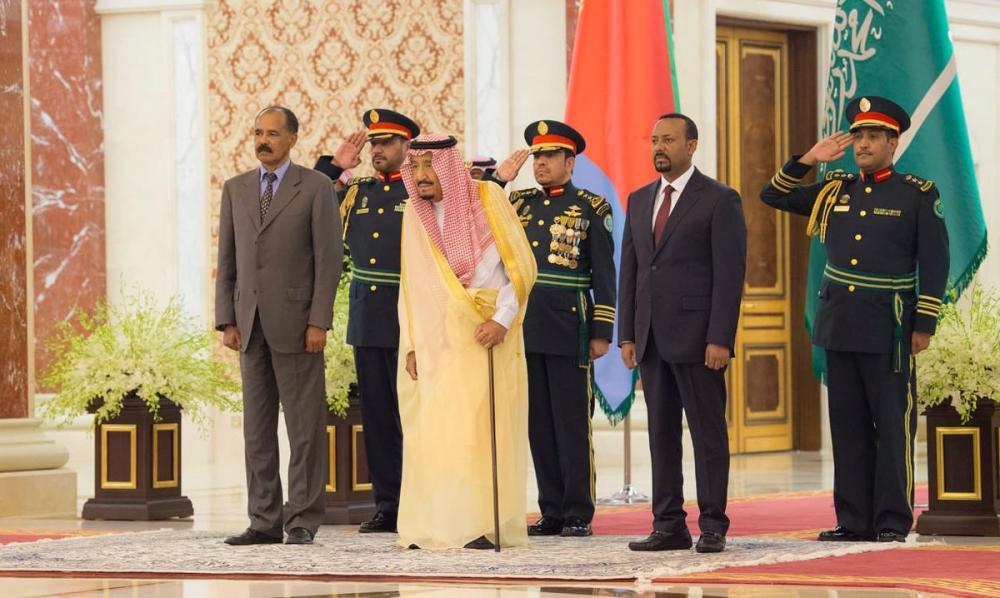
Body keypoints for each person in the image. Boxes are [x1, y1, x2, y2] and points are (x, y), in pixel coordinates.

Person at [760, 96, 949, 543]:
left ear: (892, 142)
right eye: (858, 136)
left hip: (890, 327)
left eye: (872, 137)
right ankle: (854, 519)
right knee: (847, 428)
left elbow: (935, 262)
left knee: (892, 426)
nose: (862, 144)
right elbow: (772, 194)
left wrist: (923, 324)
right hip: (840, 325)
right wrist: (808, 159)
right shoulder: (834, 189)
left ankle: (891, 520)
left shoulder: (917, 194)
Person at [395, 134, 537, 550]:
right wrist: (412, 343)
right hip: (438, 337)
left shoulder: (488, 197)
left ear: (448, 166)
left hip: (486, 333)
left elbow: (520, 267)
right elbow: (412, 283)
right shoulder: (414, 215)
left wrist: (502, 320)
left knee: (480, 432)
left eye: (428, 166)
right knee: (438, 432)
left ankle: (481, 526)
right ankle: (441, 524)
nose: (421, 176)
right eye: (415, 167)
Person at [618, 113, 746, 554]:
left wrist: (721, 338)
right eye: (655, 140)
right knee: (661, 434)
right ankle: (668, 524)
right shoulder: (638, 199)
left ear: (691, 145)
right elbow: (632, 270)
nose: (659, 147)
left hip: (699, 338)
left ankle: (713, 524)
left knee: (707, 434)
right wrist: (627, 334)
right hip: (651, 338)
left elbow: (730, 275)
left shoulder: (719, 199)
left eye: (669, 140)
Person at [215, 106, 342, 546]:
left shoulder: (316, 187)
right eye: (257, 133)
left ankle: (303, 518)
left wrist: (318, 320)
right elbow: (226, 261)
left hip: (298, 326)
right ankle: (263, 520)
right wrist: (225, 320)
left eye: (272, 133)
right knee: (256, 430)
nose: (263, 140)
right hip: (249, 326)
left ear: (292, 138)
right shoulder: (235, 189)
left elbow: (328, 262)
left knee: (304, 429)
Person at [503, 120, 616, 537]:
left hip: (571, 325)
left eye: (550, 156)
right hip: (527, 327)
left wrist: (602, 330)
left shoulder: (591, 206)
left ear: (570, 162)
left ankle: (576, 511)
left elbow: (605, 272)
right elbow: (482, 225)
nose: (541, 164)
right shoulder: (519, 203)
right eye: (537, 157)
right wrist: (501, 180)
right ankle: (550, 508)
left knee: (571, 423)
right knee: (539, 423)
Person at [313, 108, 420, 534]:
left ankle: (422, 501)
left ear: (406, 147)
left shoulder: (421, 192)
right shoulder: (355, 191)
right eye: (374, 143)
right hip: (369, 320)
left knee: (414, 416)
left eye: (388, 142)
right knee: (376, 417)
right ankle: (388, 506)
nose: (378, 150)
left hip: (411, 318)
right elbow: (307, 203)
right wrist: (334, 167)